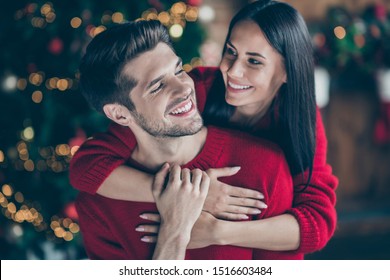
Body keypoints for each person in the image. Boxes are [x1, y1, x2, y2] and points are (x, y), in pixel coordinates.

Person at [70, 0, 338, 257]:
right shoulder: (197, 89)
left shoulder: (298, 121)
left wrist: (218, 232)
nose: (233, 71)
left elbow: (317, 224)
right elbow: (87, 166)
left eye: (254, 61)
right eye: (231, 52)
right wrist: (187, 193)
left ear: (288, 71)